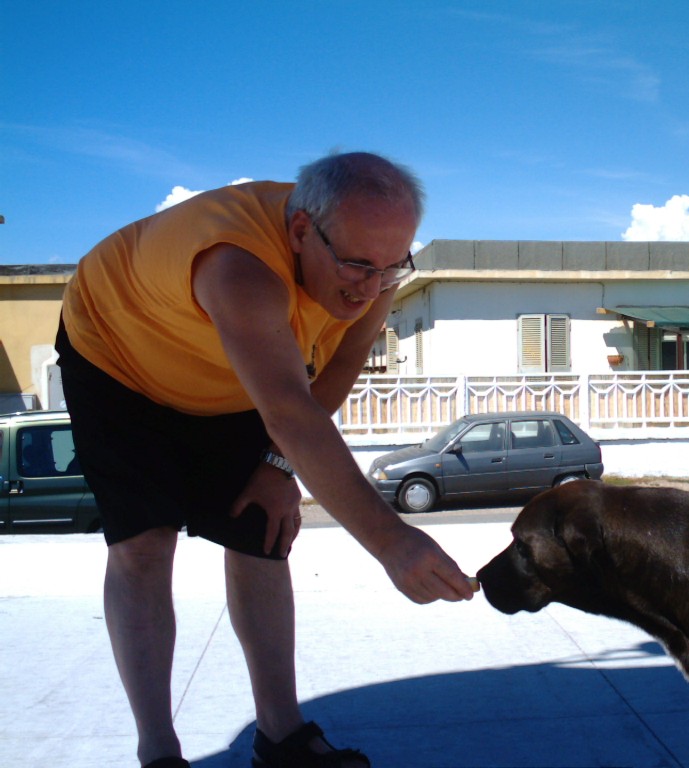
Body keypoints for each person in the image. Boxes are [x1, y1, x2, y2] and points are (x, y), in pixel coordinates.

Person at [56, 151, 476, 768]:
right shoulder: (238, 265)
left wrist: (279, 470)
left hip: (233, 369)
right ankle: (159, 750)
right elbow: (287, 408)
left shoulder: (376, 272)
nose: (372, 286)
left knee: (262, 531)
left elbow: (329, 379)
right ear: (302, 231)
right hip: (119, 355)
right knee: (144, 543)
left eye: (393, 266)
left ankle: (282, 736)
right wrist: (393, 542)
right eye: (358, 264)